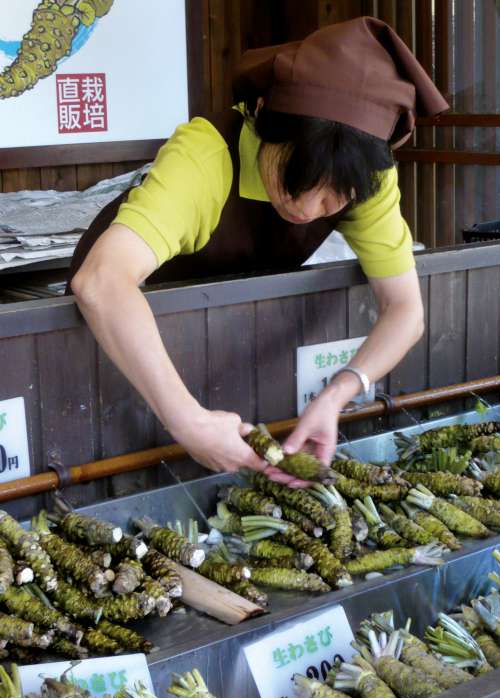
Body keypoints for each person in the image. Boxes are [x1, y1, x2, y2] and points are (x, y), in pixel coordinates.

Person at [69, 16, 448, 485]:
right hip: (120, 342)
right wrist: (187, 419)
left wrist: (339, 393)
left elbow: (405, 309)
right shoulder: (206, 156)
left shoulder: (367, 180)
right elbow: (101, 282)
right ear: (264, 115)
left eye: (334, 197)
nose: (308, 208)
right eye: (295, 178)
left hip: (216, 348)